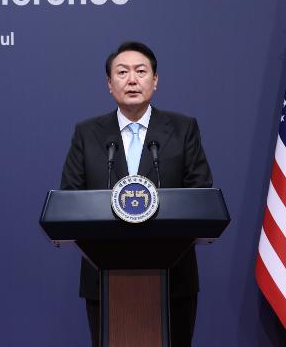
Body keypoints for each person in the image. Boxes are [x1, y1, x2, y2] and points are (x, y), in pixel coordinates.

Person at [60, 41, 212, 347]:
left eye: (141, 71)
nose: (132, 79)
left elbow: (201, 194)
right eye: (122, 72)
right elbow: (70, 200)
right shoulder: (87, 133)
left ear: (155, 81)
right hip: (103, 279)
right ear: (109, 84)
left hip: (174, 279)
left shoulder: (182, 129)